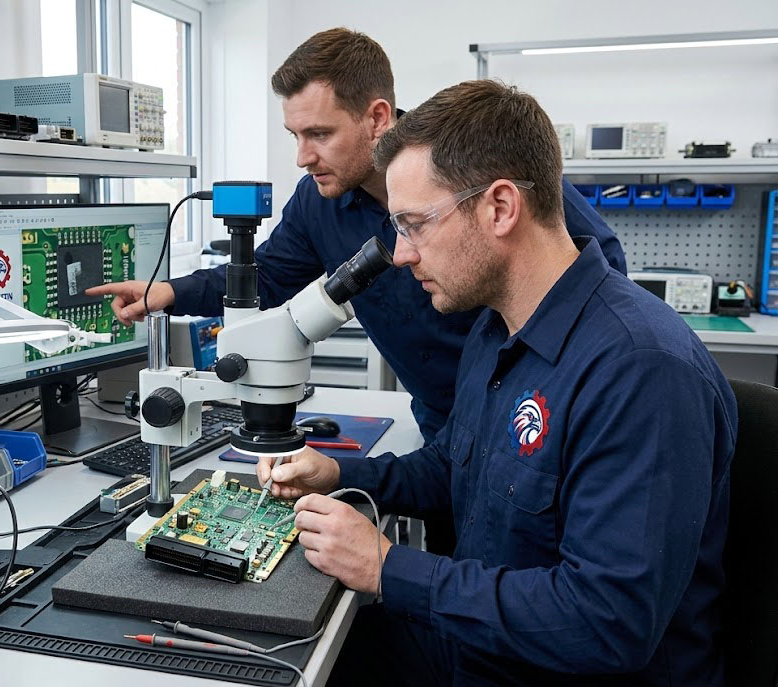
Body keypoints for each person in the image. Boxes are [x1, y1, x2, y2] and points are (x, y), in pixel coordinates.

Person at [257, 80, 736, 685]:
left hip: (569, 670)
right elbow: (453, 467)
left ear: (501, 207)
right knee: (270, 659)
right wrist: (339, 474)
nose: (400, 255)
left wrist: (386, 567)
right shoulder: (494, 328)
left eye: (413, 225)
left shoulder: (641, 371)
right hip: (484, 648)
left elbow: (606, 623)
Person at [86, 28, 626, 446]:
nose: (303, 156)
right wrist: (169, 293)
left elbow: (591, 261)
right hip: (441, 421)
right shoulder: (316, 202)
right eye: (295, 136)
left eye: (319, 134)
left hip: (524, 417)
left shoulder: (465, 158)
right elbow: (270, 276)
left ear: (377, 117)